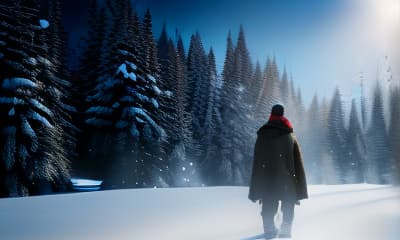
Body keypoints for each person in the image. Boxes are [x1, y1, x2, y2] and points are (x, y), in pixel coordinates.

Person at [249, 104, 308, 239]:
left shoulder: (262, 135)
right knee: (288, 201)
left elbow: (257, 161)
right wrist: (299, 186)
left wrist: (257, 183)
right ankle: (286, 229)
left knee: (269, 201)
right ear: (282, 115)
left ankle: (269, 229)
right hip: (287, 178)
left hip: (268, 178)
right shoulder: (289, 135)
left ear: (271, 114)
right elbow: (297, 161)